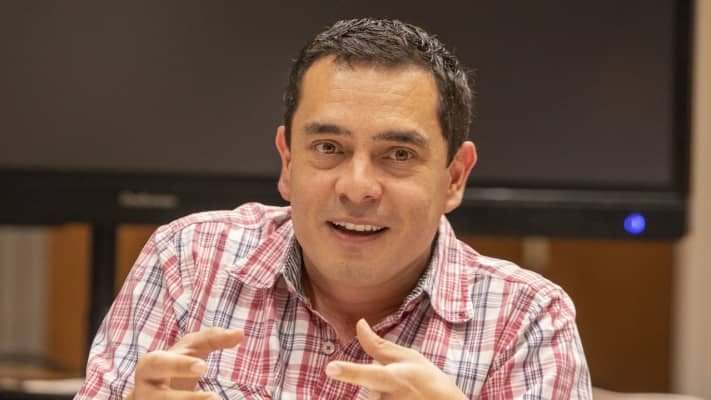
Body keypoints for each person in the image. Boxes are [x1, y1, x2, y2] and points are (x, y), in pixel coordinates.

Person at [76, 18, 592, 399]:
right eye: (328, 148)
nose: (357, 187)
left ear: (454, 177)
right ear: (287, 162)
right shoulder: (188, 260)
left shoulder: (525, 321)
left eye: (398, 155)